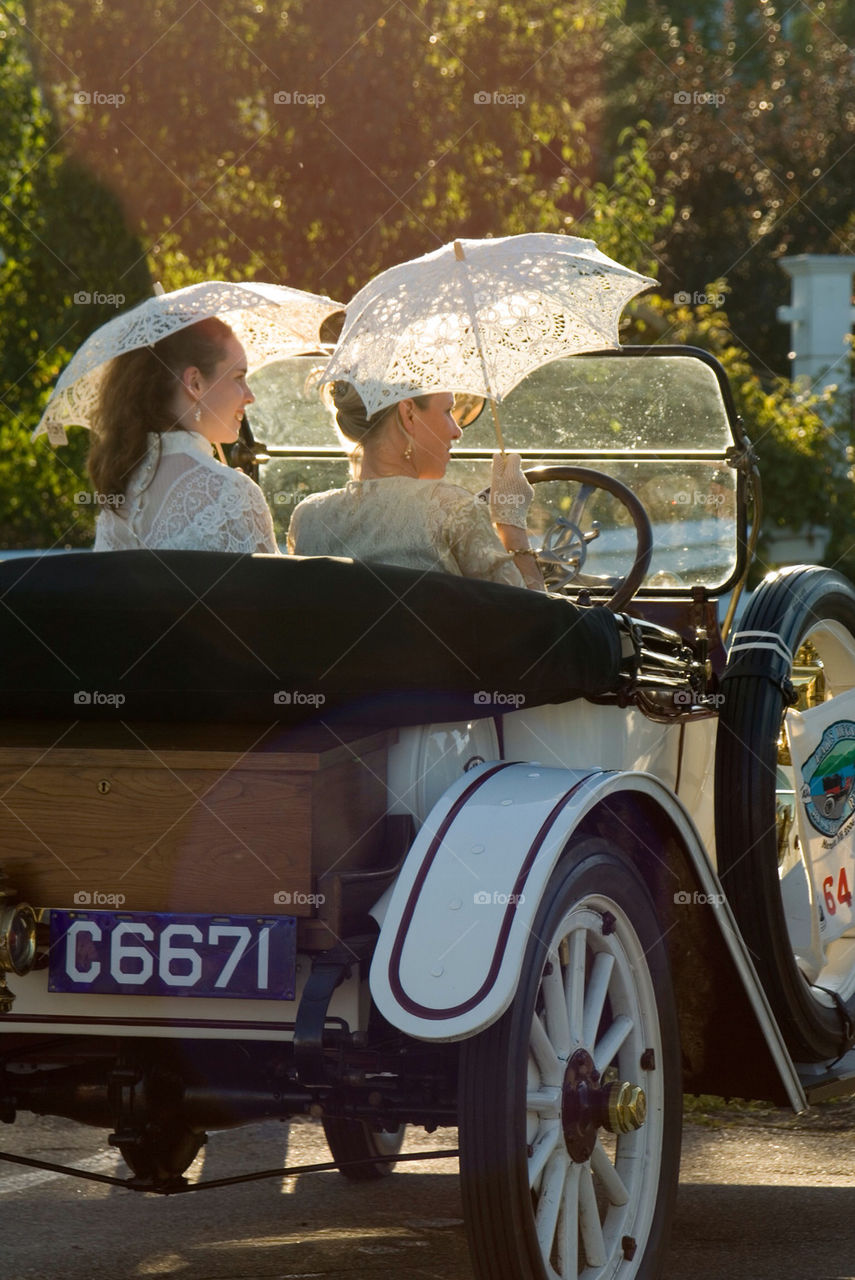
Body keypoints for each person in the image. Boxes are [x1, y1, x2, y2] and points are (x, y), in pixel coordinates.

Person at [287, 381, 544, 591]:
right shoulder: (452, 509)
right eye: (447, 412)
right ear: (408, 414)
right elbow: (534, 624)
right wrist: (511, 523)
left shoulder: (307, 517)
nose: (457, 431)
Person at [88, 317, 279, 554]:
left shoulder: (118, 499)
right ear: (195, 383)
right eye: (238, 377)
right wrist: (233, 489)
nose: (250, 396)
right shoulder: (233, 495)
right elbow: (272, 591)